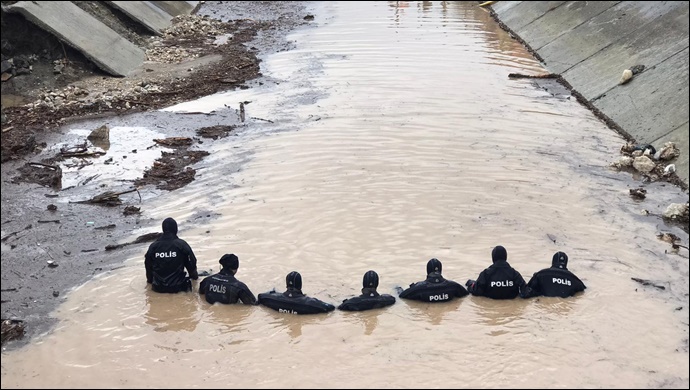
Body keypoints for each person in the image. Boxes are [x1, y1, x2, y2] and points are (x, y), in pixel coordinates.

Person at [144, 217, 198, 293]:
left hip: (158, 288)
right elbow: (192, 262)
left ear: (163, 230)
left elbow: (148, 265)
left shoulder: (153, 246)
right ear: (176, 229)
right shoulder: (182, 245)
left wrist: (150, 281)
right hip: (179, 288)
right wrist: (195, 278)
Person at [258, 271, 335, 314]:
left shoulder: (268, 299)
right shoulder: (313, 304)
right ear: (300, 285)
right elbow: (331, 308)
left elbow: (260, 297)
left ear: (287, 284)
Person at [397, 258, 468, 302]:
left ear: (428, 271)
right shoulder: (454, 286)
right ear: (440, 270)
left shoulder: (418, 288)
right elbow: (466, 294)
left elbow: (401, 296)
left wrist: (398, 288)